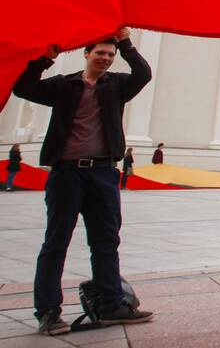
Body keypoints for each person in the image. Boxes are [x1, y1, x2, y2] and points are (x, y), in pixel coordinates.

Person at [12, 29, 154, 335]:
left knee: (106, 242)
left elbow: (143, 73)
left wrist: (126, 42)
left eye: (110, 55)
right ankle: (49, 312)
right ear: (86, 54)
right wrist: (45, 60)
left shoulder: (116, 86)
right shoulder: (63, 85)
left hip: (103, 172)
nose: (105, 58)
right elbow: (23, 88)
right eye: (100, 53)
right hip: (67, 173)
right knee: (56, 242)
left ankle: (111, 303)